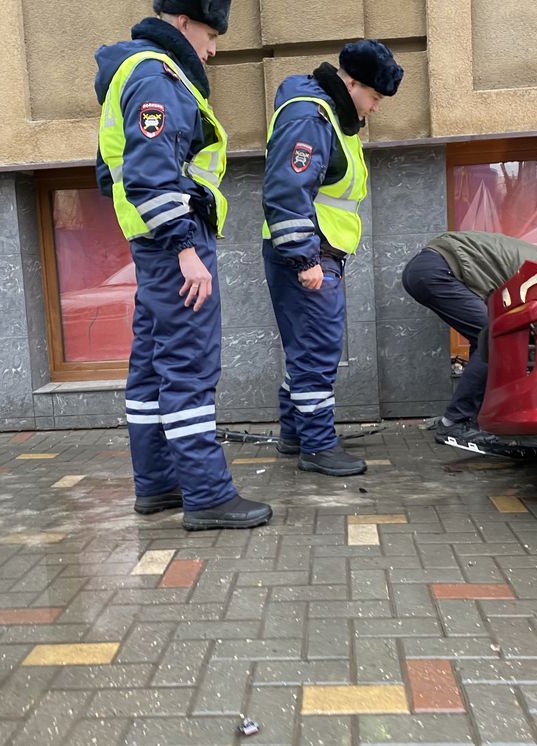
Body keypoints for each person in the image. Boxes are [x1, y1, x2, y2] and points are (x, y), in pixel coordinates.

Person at [94, 0, 271, 530]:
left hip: (153, 242)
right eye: (211, 34)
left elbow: (114, 174)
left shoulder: (132, 70)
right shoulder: (157, 76)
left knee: (151, 367)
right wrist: (184, 248)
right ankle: (208, 495)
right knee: (188, 366)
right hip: (176, 241)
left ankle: (158, 484)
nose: (214, 49)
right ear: (182, 22)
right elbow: (151, 174)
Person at [262, 40, 403, 477]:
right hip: (309, 254)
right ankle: (318, 447)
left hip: (315, 251)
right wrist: (306, 261)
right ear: (352, 82)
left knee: (306, 348)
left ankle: (295, 434)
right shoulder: (312, 117)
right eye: (375, 98)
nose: (375, 108)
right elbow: (287, 190)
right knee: (318, 350)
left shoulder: (330, 118)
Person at [401, 230, 537, 452]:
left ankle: (472, 415)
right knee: (495, 339)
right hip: (437, 270)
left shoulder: (535, 260)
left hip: (425, 269)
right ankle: (454, 422)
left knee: (484, 341)